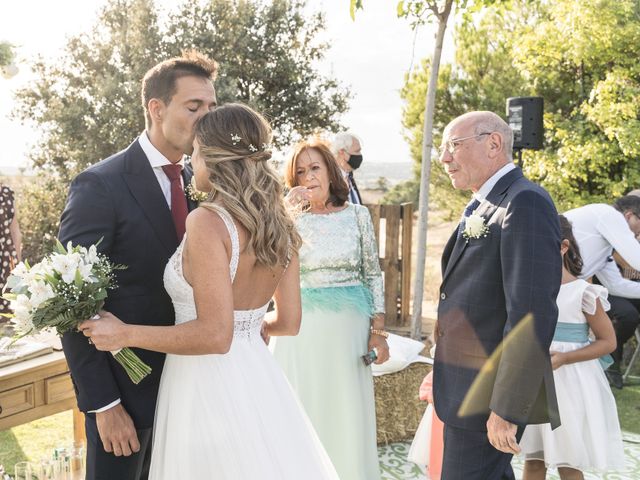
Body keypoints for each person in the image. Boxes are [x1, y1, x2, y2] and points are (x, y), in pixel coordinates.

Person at [79, 104, 339, 479]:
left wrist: (124, 333)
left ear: (215, 158)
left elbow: (215, 335)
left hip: (204, 384)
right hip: (257, 376)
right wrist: (252, 326)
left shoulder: (207, 221)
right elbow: (289, 321)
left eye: (196, 152)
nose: (192, 160)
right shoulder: (281, 223)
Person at [58, 51, 218, 480]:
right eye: (194, 106)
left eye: (211, 107)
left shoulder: (199, 183)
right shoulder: (100, 185)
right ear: (156, 108)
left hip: (194, 390)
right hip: (128, 402)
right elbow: (70, 304)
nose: (206, 118)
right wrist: (104, 406)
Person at [433, 111, 562, 479]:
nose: (444, 158)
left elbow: (531, 313)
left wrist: (507, 407)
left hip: (488, 395)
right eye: (443, 149)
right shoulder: (487, 202)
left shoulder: (525, 203)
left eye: (453, 146)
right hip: (465, 388)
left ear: (493, 144)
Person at [270, 138, 389, 480]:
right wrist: (283, 213)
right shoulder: (287, 218)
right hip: (300, 331)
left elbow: (372, 275)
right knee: (301, 409)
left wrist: (378, 333)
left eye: (315, 168)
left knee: (345, 413)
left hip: (347, 335)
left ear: (330, 171)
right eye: (300, 171)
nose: (308, 177)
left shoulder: (357, 216)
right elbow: (269, 269)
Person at [520, 215, 624, 479]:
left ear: (563, 247)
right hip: (533, 382)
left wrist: (565, 358)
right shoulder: (527, 289)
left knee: (569, 462)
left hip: (571, 384)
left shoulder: (583, 292)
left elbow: (608, 341)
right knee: (533, 459)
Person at [564, 195, 640, 389]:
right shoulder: (607, 214)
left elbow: (616, 286)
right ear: (630, 216)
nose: (637, 235)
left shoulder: (605, 245)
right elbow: (636, 258)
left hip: (566, 298)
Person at [0, 184, 21, 316]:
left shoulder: (6, 193)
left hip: (6, 258)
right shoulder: (5, 194)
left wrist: (18, 264)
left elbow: (16, 232)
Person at [332, 131, 363, 204]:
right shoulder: (330, 181)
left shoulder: (350, 178)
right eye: (357, 151)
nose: (360, 155)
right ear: (342, 152)